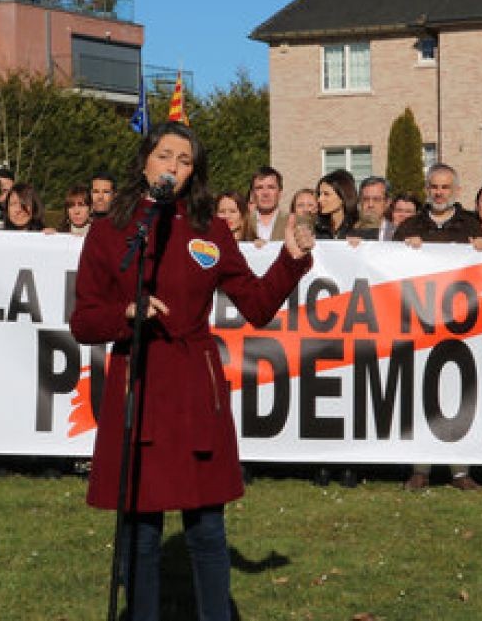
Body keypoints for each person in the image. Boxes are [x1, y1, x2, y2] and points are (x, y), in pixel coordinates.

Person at [70, 121, 313, 621]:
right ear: (145, 163)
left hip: (195, 393)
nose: (174, 167)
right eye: (165, 156)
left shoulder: (211, 229)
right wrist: (127, 314)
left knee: (206, 531)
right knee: (139, 536)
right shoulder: (110, 231)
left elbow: (258, 306)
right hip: (139, 389)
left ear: (194, 172)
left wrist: (290, 260)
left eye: (184, 161)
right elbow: (83, 320)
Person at [395, 164, 482, 490]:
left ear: (456, 191)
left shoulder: (471, 226)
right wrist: (404, 251)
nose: (439, 193)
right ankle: (420, 468)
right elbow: (386, 271)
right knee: (420, 392)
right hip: (418, 323)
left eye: (445, 187)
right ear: (426, 189)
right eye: (434, 187)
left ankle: (460, 471)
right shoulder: (409, 227)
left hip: (461, 324)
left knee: (459, 394)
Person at [315, 169, 371, 240]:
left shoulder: (361, 227)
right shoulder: (316, 227)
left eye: (326, 194)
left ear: (343, 196)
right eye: (319, 194)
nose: (319, 199)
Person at [247, 167, 288, 242]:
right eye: (259, 188)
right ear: (252, 194)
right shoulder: (244, 223)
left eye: (271, 187)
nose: (265, 193)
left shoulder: (292, 223)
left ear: (280, 193)